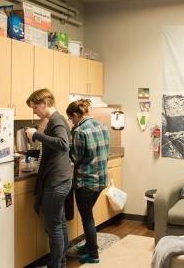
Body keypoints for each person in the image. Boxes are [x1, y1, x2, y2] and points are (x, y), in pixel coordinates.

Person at [24, 88, 72, 268]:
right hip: (62, 178)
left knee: (54, 229)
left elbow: (63, 144)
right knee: (59, 224)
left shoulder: (56, 120)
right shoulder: (55, 119)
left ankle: (55, 265)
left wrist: (36, 135)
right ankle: (62, 262)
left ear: (45, 103)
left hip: (56, 181)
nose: (34, 111)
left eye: (35, 107)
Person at [66, 99, 110, 264]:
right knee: (88, 215)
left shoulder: (80, 131)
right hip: (100, 181)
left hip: (85, 182)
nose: (72, 121)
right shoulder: (101, 125)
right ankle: (89, 245)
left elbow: (75, 158)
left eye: (71, 118)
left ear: (76, 115)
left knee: (87, 218)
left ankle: (93, 254)